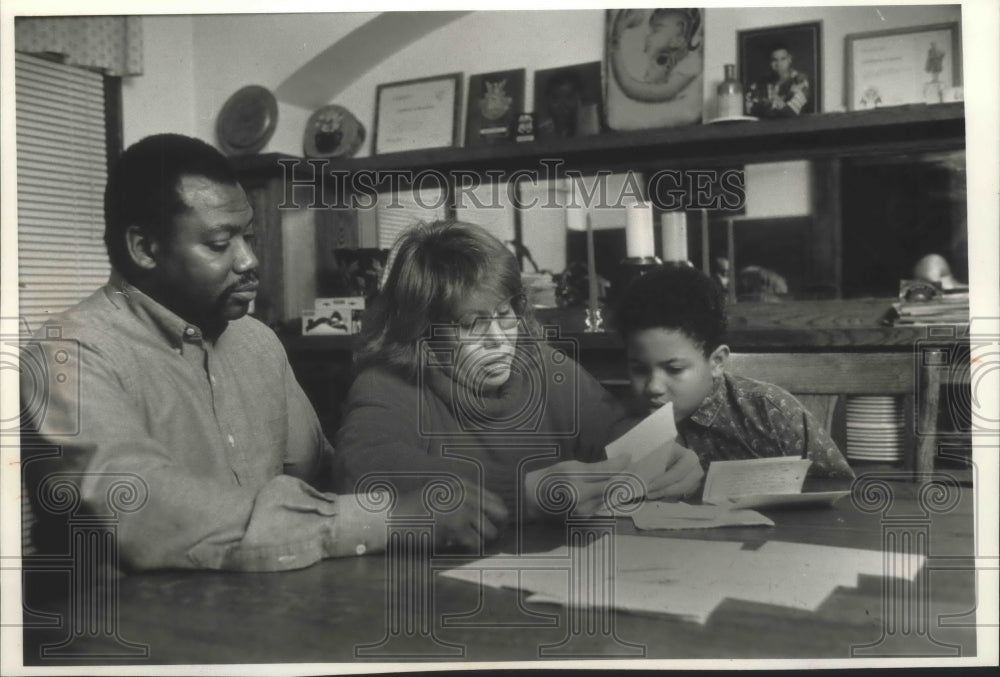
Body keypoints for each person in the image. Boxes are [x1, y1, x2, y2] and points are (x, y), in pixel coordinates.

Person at [20, 134, 504, 572]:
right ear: (144, 248)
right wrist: (384, 519)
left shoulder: (256, 341)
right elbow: (141, 506)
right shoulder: (67, 355)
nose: (250, 260)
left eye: (247, 236)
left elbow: (325, 473)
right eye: (219, 243)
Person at [333, 221, 704, 518]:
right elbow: (363, 471)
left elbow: (615, 429)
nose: (498, 340)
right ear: (423, 331)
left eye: (504, 314)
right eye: (471, 323)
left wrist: (665, 456)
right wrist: (524, 493)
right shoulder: (387, 383)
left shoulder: (541, 363)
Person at [613, 265, 854, 481]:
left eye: (674, 369)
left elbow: (838, 490)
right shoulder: (621, 419)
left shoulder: (769, 413)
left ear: (717, 361)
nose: (653, 386)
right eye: (639, 369)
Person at [745, 43, 810, 118]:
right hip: (765, 128)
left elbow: (790, 112)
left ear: (790, 59)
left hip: (794, 127)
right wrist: (777, 104)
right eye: (774, 60)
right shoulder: (760, 83)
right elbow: (749, 110)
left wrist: (766, 105)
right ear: (770, 62)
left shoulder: (800, 80)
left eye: (783, 59)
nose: (779, 64)